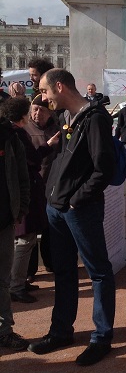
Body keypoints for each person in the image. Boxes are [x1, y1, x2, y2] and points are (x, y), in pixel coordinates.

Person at [28, 68, 116, 366]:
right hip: (58, 209)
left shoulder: (96, 118)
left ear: (60, 87)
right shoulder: (67, 117)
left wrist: (77, 201)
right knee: (64, 272)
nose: (42, 97)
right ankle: (61, 331)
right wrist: (55, 198)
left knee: (99, 273)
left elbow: (103, 169)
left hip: (80, 210)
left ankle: (101, 338)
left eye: (45, 90)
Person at [0, 98, 58, 304]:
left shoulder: (13, 132)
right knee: (25, 240)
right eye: (31, 111)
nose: (34, 115)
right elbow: (31, 159)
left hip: (26, 193)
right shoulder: (15, 134)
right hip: (26, 194)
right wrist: (48, 145)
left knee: (25, 240)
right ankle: (16, 285)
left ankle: (18, 282)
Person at [0, 106, 31, 353]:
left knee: (2, 280)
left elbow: (23, 176)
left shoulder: (9, 136)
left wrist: (20, 208)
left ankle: (3, 332)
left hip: (3, 221)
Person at [24, 95, 59, 279]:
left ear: (50, 112)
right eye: (34, 109)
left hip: (52, 187)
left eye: (42, 110)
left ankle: (50, 263)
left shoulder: (57, 128)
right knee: (29, 232)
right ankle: (29, 272)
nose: (37, 113)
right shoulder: (24, 129)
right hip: (32, 188)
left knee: (49, 229)